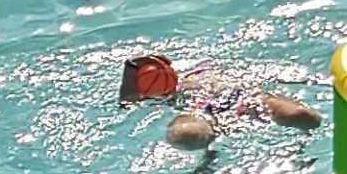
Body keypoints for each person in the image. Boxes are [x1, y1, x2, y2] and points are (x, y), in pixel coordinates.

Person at [120, 53, 318, 151]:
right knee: (186, 135)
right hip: (200, 109)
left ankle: (302, 148)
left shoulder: (198, 66)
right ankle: (209, 151)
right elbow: (127, 104)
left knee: (303, 116)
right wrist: (130, 72)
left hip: (247, 95)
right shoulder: (165, 93)